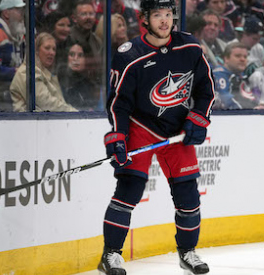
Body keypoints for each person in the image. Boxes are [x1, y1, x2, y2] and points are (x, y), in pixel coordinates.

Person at [100, 0, 215, 273]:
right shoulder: (130, 55)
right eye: (157, 16)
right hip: (141, 126)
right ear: (144, 19)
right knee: (129, 190)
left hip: (176, 131)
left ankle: (188, 252)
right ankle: (111, 255)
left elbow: (205, 90)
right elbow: (118, 103)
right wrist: (118, 135)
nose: (164, 21)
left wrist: (198, 118)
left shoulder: (190, 47)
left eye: (167, 15)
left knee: (188, 196)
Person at [9, 32, 77, 112]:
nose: (51, 53)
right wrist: (74, 113)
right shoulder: (26, 72)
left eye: (54, 49)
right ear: (37, 51)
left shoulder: (48, 74)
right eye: (47, 48)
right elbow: (47, 103)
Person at [213, 42, 259, 109]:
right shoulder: (219, 75)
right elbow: (224, 98)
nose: (243, 59)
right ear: (226, 59)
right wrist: (249, 106)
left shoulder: (243, 76)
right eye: (238, 56)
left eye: (245, 57)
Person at [58, 41, 99, 110]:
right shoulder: (59, 81)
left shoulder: (93, 87)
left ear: (87, 59)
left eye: (80, 55)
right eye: (72, 54)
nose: (75, 59)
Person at [69, 0, 103, 84]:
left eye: (91, 14)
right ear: (74, 18)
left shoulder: (97, 41)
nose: (88, 17)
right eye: (83, 14)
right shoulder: (68, 38)